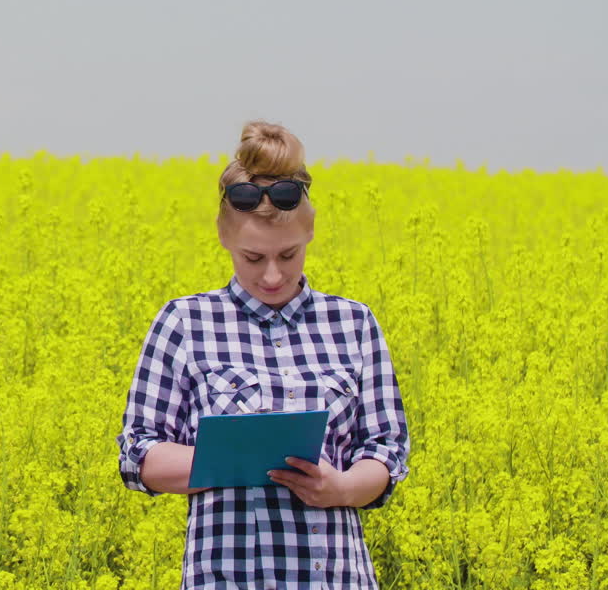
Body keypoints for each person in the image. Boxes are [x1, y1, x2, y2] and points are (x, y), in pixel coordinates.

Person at [115, 120, 410, 589]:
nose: (272, 275)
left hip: (335, 577)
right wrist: (222, 461)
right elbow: (138, 453)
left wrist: (341, 489)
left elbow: (385, 450)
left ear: (310, 234)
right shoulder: (185, 322)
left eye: (289, 256)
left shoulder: (354, 323)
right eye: (253, 258)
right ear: (223, 236)